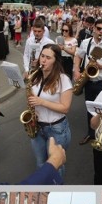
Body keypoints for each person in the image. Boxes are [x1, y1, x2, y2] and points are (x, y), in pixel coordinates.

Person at [27, 44, 72, 178]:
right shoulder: (35, 76)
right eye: (42, 56)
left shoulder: (63, 80)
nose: (43, 60)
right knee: (41, 164)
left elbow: (65, 108)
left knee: (55, 166)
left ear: (56, 61)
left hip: (56, 128)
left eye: (48, 58)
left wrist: (42, 102)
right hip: (37, 126)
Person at [75, 18, 102, 145]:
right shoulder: (85, 42)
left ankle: (101, 134)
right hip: (89, 81)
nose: (100, 32)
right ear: (94, 28)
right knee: (90, 108)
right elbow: (78, 56)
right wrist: (76, 70)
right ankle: (91, 133)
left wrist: (100, 66)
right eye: (98, 28)